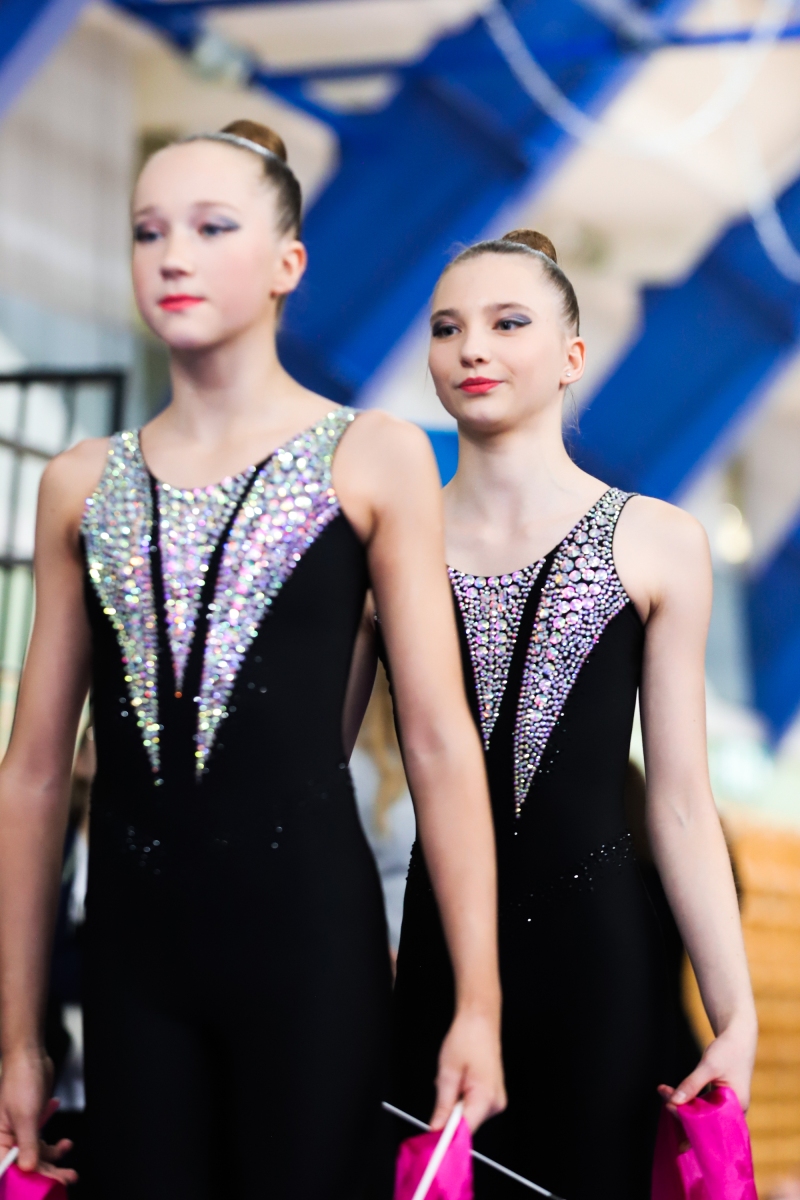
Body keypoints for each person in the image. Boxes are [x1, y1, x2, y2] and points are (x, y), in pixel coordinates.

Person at [0, 120, 505, 1199]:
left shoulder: (371, 456)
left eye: (211, 228)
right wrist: (18, 1037)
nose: (171, 256)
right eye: (148, 232)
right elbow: (35, 772)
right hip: (134, 970)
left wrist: (477, 1003)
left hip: (308, 953)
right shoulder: (79, 484)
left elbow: (436, 741)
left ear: (287, 264)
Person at [391, 229, 757, 1199]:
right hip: (433, 962)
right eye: (446, 328)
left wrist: (735, 1014)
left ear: (571, 356)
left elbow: (679, 803)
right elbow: (311, 775)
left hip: (599, 968)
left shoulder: (657, 540)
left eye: (507, 323)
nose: (472, 348)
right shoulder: (390, 547)